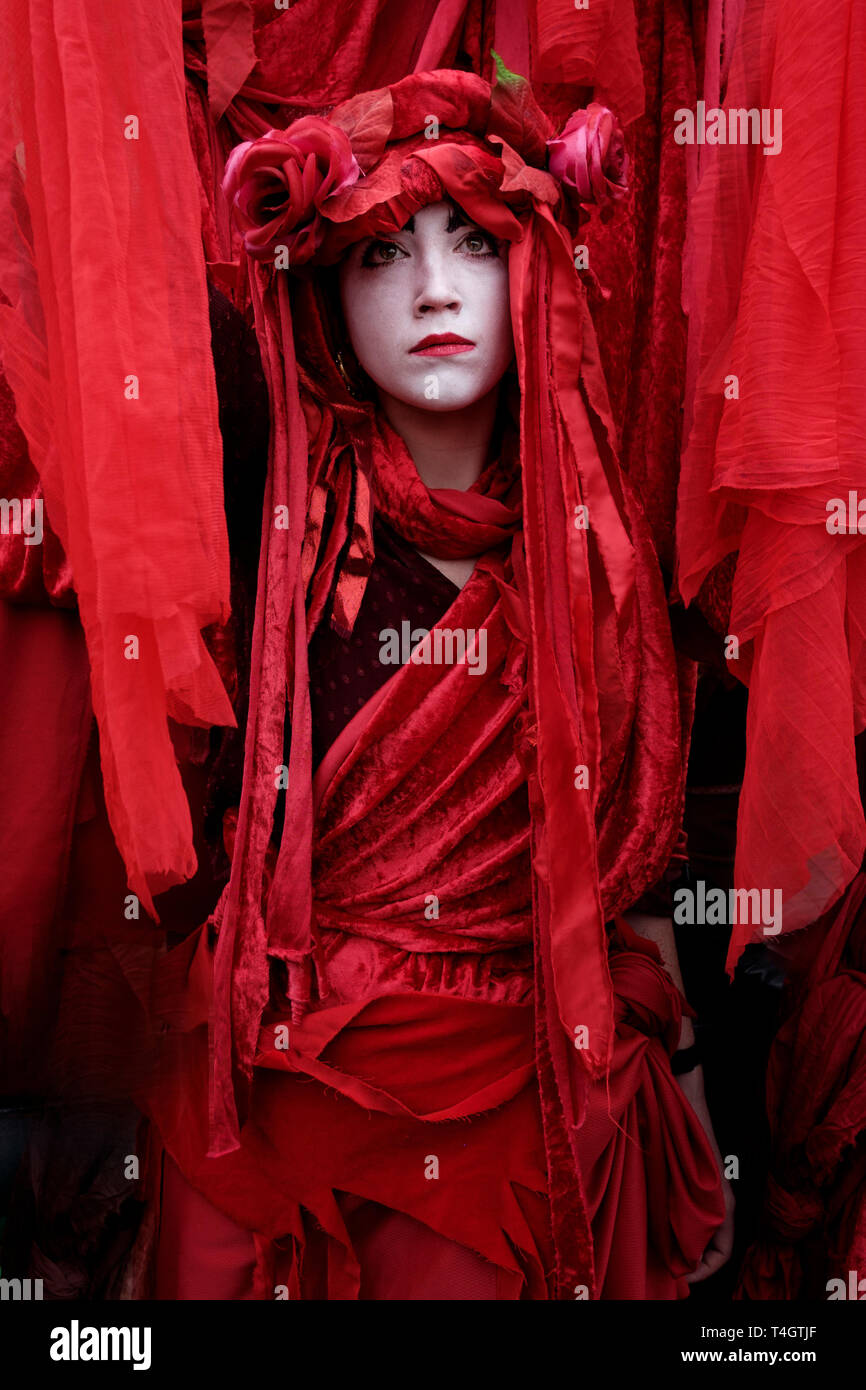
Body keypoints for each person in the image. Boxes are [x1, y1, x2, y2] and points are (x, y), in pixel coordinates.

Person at [141, 63, 732, 1300]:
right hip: (280, 1101)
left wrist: (680, 1084)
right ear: (324, 291)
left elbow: (628, 850)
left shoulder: (599, 553)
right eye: (381, 256)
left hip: (528, 1102)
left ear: (532, 278)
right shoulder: (268, 524)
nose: (432, 293)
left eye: (472, 243)